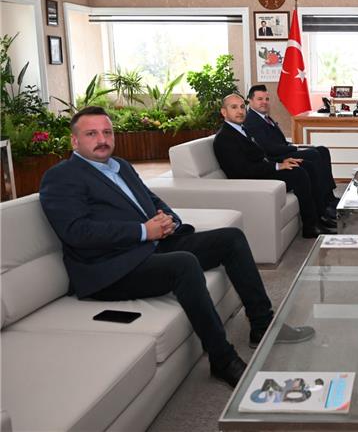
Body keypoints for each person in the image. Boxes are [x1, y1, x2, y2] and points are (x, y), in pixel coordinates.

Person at [38, 106, 314, 390]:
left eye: (107, 132)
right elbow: (76, 232)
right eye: (92, 134)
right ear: (74, 141)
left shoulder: (120, 166)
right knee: (184, 263)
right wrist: (143, 231)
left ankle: (263, 324)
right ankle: (222, 359)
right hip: (112, 268)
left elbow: (152, 200)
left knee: (231, 238)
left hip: (153, 245)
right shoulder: (61, 177)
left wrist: (170, 219)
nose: (102, 139)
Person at [213, 94, 337, 238]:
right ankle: (310, 226)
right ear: (224, 112)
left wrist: (284, 161)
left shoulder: (241, 129)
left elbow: (261, 156)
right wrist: (277, 166)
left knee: (306, 165)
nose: (240, 111)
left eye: (242, 107)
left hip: (261, 170)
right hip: (250, 180)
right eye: (234, 107)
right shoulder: (224, 138)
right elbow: (242, 170)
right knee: (298, 174)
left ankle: (321, 216)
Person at [244, 85, 338, 218]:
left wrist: (296, 146)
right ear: (250, 100)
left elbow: (280, 142)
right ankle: (323, 202)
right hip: (276, 157)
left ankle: (329, 196)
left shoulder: (264, 117)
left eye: (266, 99)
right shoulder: (251, 120)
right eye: (260, 99)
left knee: (323, 150)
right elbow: (269, 148)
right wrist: (295, 148)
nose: (264, 102)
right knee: (314, 154)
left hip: (283, 150)